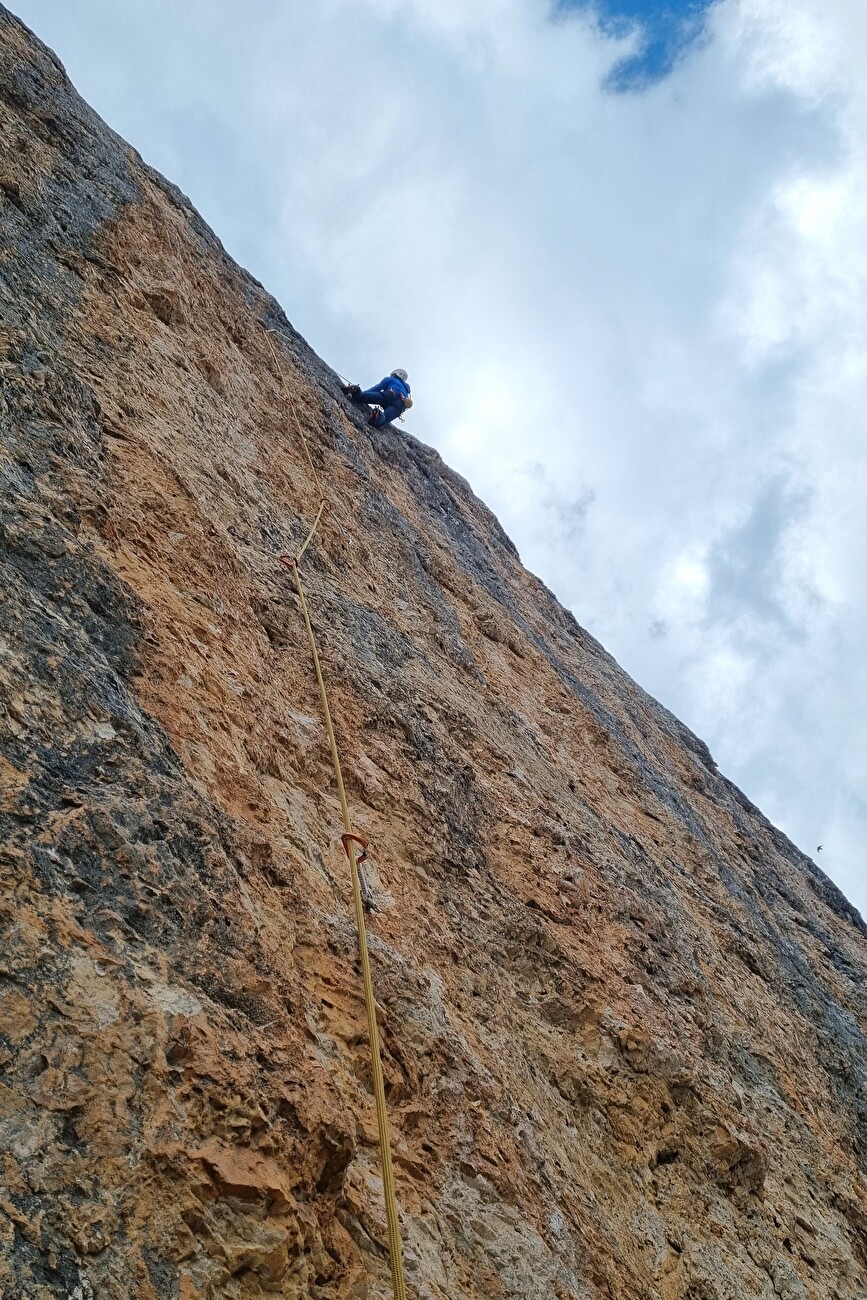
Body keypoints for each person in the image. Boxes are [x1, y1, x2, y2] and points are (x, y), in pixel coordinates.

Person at [342, 369, 412, 428]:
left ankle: (356, 391)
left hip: (389, 394)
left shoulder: (390, 379)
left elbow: (377, 388)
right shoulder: (406, 390)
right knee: (383, 420)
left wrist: (363, 394)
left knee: (361, 397)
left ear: (394, 374)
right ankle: (378, 416)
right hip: (399, 404)